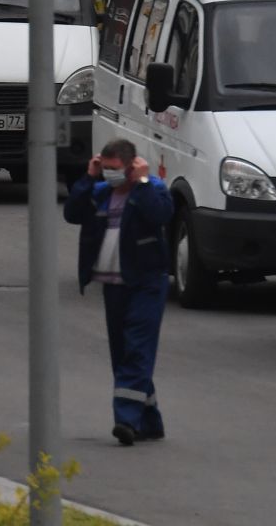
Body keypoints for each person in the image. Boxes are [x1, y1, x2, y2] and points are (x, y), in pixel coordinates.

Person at [64, 137, 174, 446]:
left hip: (146, 284)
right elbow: (72, 212)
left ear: (131, 166)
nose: (111, 175)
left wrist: (140, 182)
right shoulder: (99, 193)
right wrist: (89, 176)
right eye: (106, 168)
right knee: (123, 355)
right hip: (113, 288)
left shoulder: (151, 189)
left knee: (137, 350)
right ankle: (150, 421)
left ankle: (126, 420)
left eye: (115, 170)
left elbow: (160, 215)